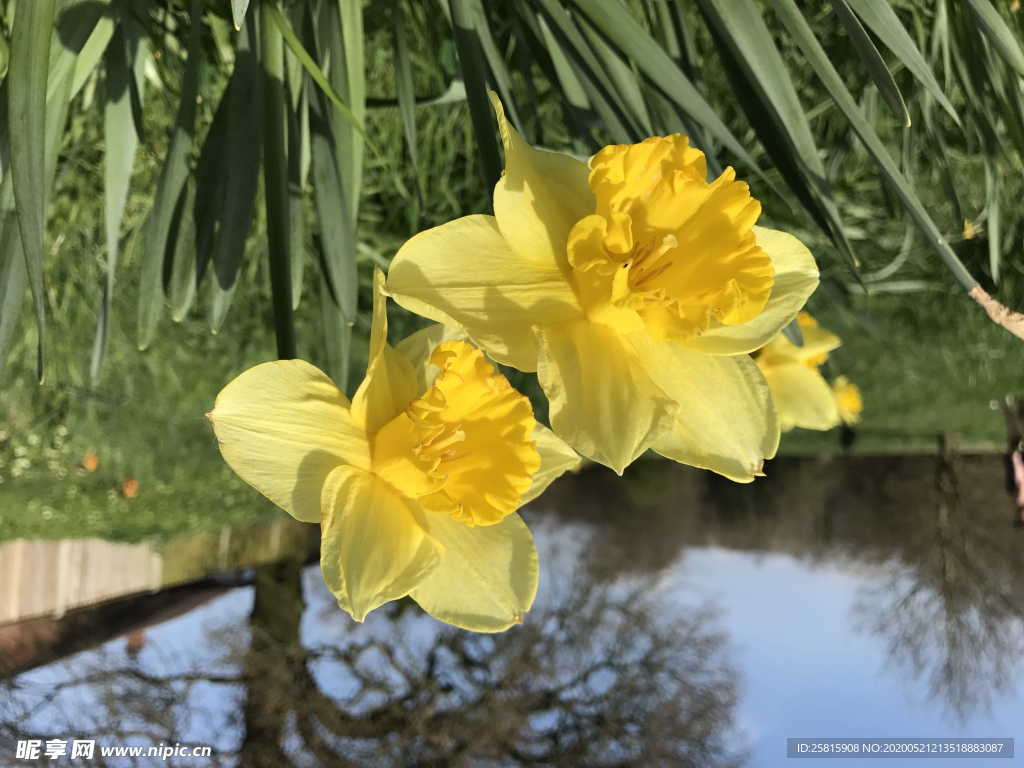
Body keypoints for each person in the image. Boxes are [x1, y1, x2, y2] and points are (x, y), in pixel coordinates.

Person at [999, 396, 1024, 527]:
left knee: (1013, 432)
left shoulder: (1012, 491)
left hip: (1016, 456)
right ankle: (1019, 405)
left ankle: (1006, 405)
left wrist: (1010, 458)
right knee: (1019, 430)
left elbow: (1009, 472)